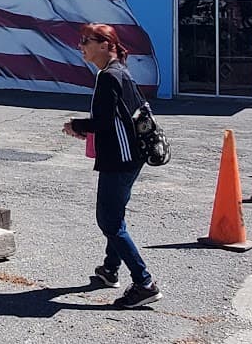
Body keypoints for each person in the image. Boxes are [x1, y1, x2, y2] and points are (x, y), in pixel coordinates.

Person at [62, 22, 162, 308]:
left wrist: (76, 125)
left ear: (105, 45)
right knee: (115, 215)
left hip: (120, 158)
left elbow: (104, 123)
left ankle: (144, 283)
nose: (81, 46)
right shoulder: (116, 72)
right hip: (130, 156)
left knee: (109, 220)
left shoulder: (109, 76)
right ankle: (110, 269)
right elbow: (119, 118)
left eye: (86, 41)